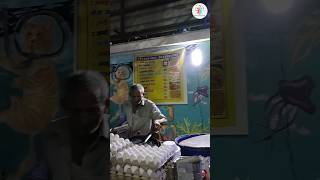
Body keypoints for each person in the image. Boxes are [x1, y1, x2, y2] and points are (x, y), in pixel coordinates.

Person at [28, 71, 109, 180]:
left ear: (106, 106)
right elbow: (37, 175)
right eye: (75, 111)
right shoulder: (47, 137)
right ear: (64, 105)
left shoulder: (117, 144)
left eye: (92, 110)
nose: (83, 120)